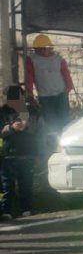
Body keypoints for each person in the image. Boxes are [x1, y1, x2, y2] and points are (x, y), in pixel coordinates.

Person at [23, 33, 75, 142]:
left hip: (61, 94)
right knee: (51, 122)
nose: (40, 51)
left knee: (64, 120)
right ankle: (54, 143)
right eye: (38, 49)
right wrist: (30, 93)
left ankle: (66, 140)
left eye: (43, 48)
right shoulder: (31, 60)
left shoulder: (58, 59)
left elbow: (66, 74)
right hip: (45, 97)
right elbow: (29, 77)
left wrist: (68, 88)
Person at [0, 85, 42, 218]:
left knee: (26, 185)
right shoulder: (3, 112)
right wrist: (11, 128)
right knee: (8, 186)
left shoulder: (32, 111)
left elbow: (39, 133)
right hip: (9, 155)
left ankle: (26, 210)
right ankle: (6, 211)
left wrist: (39, 154)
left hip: (28, 154)